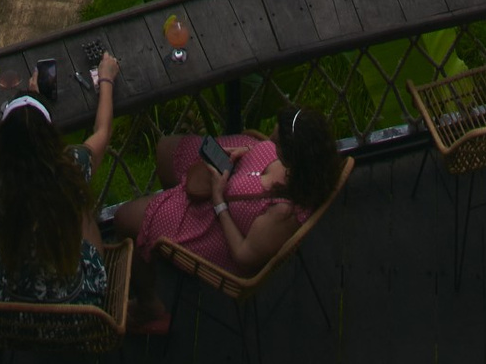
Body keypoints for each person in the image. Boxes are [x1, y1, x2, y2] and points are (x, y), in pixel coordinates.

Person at [108, 103, 343, 315]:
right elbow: (269, 148)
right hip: (232, 174)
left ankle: (149, 305)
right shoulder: (312, 167)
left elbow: (243, 255)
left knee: (124, 218)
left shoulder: (283, 213)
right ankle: (169, 226)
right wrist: (249, 155)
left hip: (217, 222)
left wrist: (219, 200)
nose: (271, 139)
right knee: (165, 149)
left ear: (292, 158)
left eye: (278, 143)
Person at [0, 56, 119, 306]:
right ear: (49, 134)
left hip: (10, 313)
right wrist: (105, 79)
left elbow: (19, 140)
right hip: (76, 313)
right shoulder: (70, 168)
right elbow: (102, 132)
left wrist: (29, 104)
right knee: (81, 210)